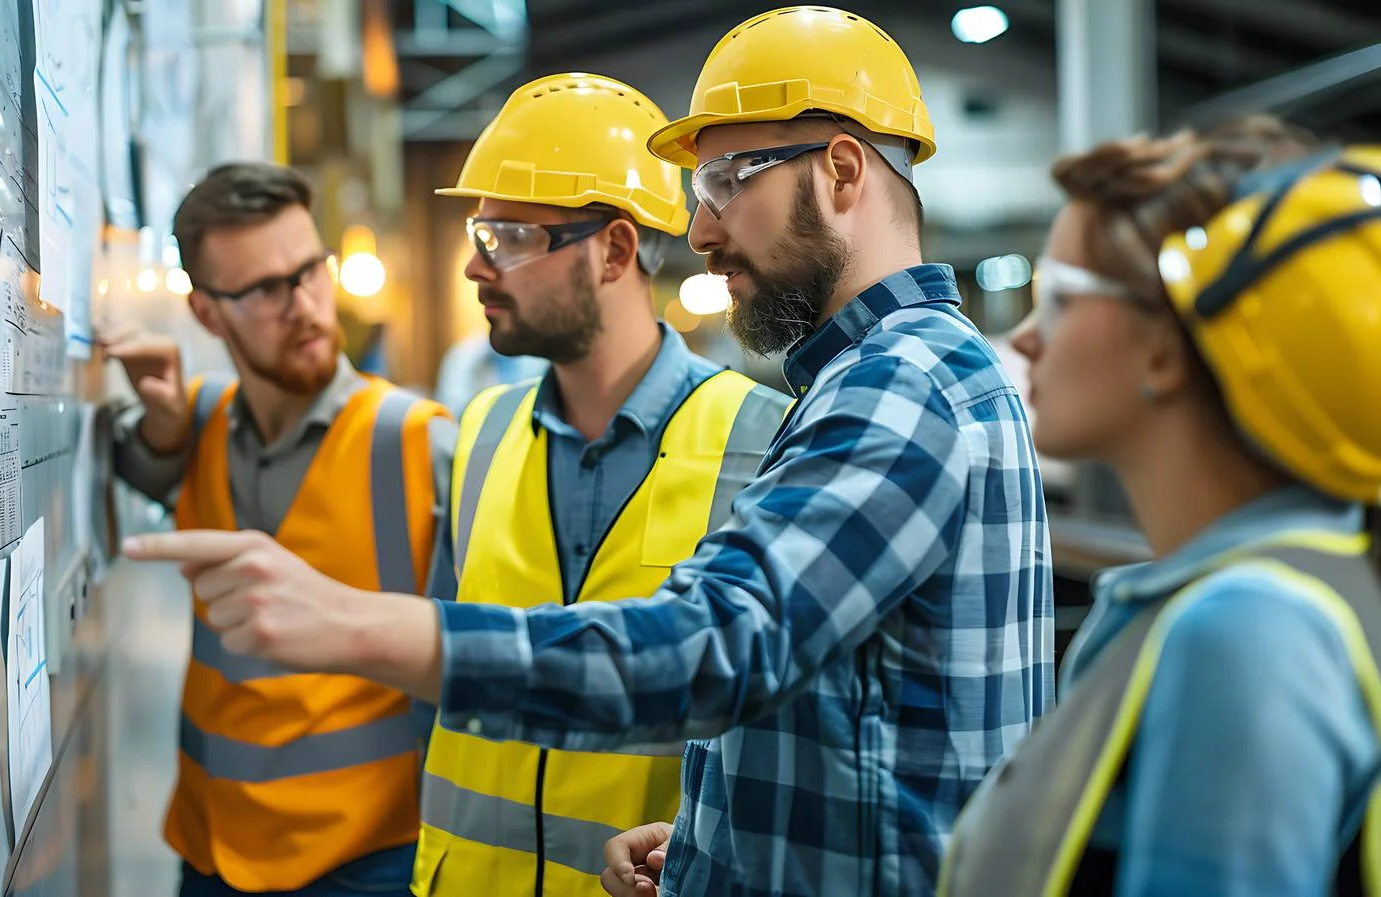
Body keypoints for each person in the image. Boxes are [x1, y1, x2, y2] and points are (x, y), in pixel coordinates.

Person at [123, 8, 1055, 896]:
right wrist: (710, 838)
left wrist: (355, 626)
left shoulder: (895, 388)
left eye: (728, 182)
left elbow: (718, 643)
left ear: (843, 172)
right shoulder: (866, 384)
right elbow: (842, 710)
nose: (700, 232)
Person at [939, 123, 1381, 895]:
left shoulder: (1247, 631)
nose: (1026, 336)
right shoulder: (1280, 590)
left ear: (1165, 345)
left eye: (1060, 296)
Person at [413, 72, 791, 897]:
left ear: (615, 250)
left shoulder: (764, 442)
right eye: (479, 234)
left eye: (509, 237)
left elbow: (773, 734)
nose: (477, 266)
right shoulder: (479, 431)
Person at [104, 162, 455, 897]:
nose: (304, 306)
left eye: (310, 271)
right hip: (211, 849)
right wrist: (161, 431)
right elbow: (140, 464)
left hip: (368, 858)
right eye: (267, 289)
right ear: (208, 313)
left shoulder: (419, 441)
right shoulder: (197, 421)